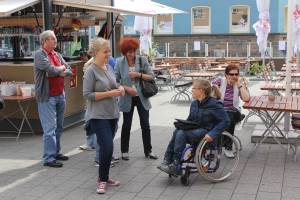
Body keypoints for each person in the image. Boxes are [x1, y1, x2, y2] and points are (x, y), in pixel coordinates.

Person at [157, 79, 230, 176]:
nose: (192, 90)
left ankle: (175, 163)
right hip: (195, 129)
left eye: (194, 88)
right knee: (177, 131)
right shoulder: (194, 103)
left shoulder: (215, 104)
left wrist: (212, 134)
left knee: (181, 133)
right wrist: (182, 125)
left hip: (207, 132)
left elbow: (225, 121)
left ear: (201, 90)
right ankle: (168, 161)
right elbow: (190, 120)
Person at [83, 37, 125, 194]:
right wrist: (110, 93)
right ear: (95, 52)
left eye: (109, 51)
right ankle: (101, 180)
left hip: (112, 114)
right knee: (107, 147)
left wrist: (120, 88)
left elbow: (114, 84)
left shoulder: (108, 68)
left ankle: (106, 177)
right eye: (105, 51)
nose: (108, 54)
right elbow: (87, 94)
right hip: (98, 116)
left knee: (108, 148)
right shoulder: (90, 71)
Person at [34, 30, 73, 168]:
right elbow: (50, 69)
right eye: (53, 38)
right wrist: (59, 69)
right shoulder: (39, 54)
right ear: (45, 41)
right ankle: (48, 158)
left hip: (60, 94)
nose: (55, 41)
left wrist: (59, 71)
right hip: (47, 96)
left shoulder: (57, 54)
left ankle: (56, 152)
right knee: (50, 129)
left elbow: (69, 70)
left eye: (55, 38)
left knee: (59, 127)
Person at [115, 37, 158, 160]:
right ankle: (124, 151)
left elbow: (151, 76)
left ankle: (148, 151)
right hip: (127, 97)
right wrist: (127, 88)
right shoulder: (119, 62)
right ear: (124, 52)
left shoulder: (142, 60)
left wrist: (138, 74)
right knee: (127, 125)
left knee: (145, 124)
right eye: (129, 52)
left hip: (142, 97)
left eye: (134, 51)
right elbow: (115, 81)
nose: (132, 54)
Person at [212, 64, 250, 158]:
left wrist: (239, 85)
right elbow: (210, 93)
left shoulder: (240, 83)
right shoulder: (219, 81)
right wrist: (216, 88)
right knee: (223, 118)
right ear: (226, 75)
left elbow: (246, 98)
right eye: (231, 74)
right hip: (219, 110)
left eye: (236, 74)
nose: (234, 76)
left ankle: (227, 147)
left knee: (228, 116)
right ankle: (217, 145)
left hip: (234, 111)